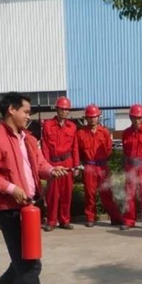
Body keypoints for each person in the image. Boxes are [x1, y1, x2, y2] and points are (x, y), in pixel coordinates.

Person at [0, 92, 69, 284]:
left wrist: (51, 171)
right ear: (12, 110)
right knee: (30, 262)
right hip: (10, 209)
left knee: (22, 257)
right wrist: (10, 188)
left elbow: (38, 163)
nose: (29, 116)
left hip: (29, 206)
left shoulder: (26, 137)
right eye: (26, 111)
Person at [76, 104, 123, 227]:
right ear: (86, 118)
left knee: (107, 193)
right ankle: (90, 218)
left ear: (98, 117)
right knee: (90, 194)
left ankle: (115, 217)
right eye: (90, 117)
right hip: (89, 166)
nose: (93, 119)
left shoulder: (105, 132)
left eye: (95, 117)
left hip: (102, 166)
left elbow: (108, 149)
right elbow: (77, 151)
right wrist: (80, 164)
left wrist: (102, 161)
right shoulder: (81, 133)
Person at [40, 96, 80, 232]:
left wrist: (76, 165)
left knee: (66, 193)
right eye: (61, 109)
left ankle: (65, 220)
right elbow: (44, 147)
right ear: (56, 109)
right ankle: (51, 221)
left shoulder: (72, 127)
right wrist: (47, 167)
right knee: (52, 194)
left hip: (68, 163)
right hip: (53, 163)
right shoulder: (47, 125)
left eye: (66, 109)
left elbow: (75, 147)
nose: (64, 111)